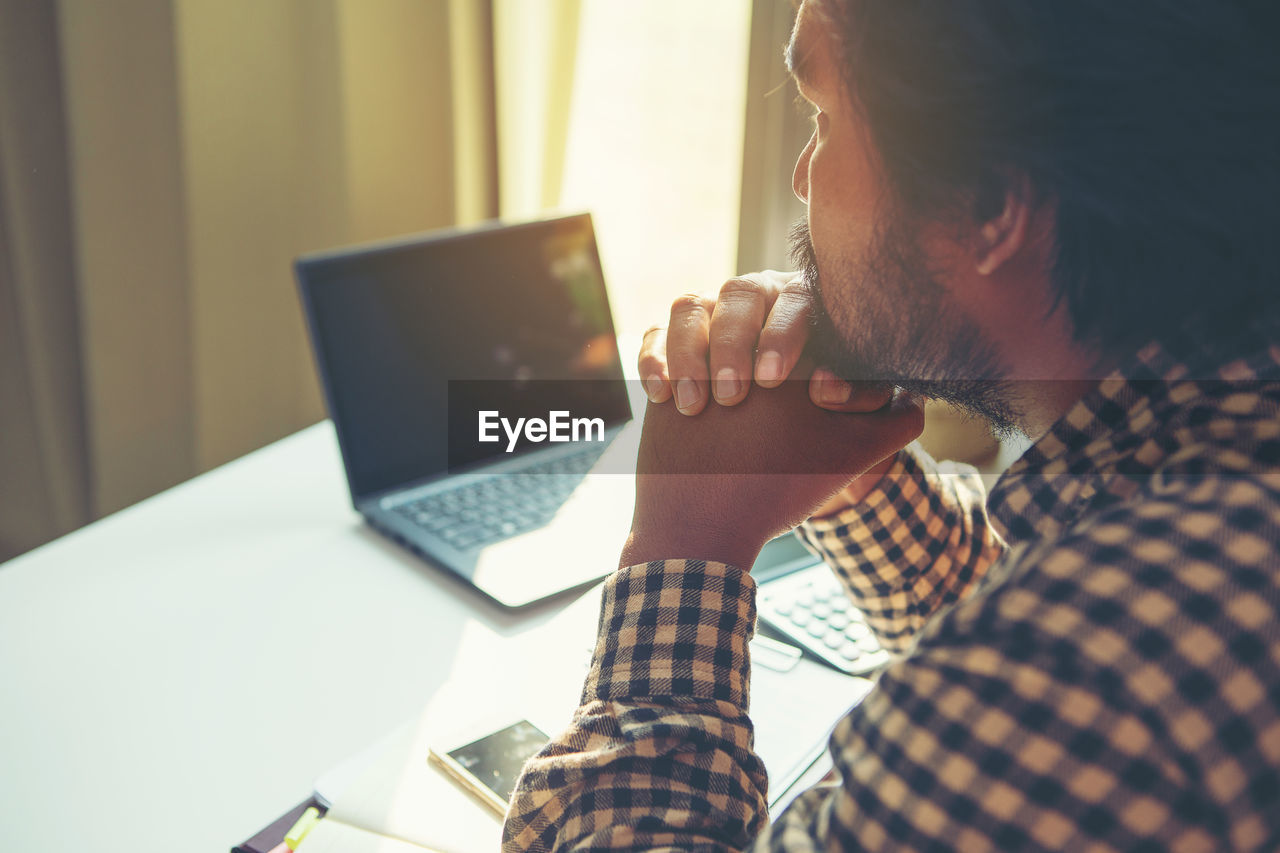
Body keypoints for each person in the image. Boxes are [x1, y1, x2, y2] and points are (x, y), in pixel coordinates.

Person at [503, 0, 1280, 849]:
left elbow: (1039, 665)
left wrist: (682, 543)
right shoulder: (1206, 467)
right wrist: (855, 482)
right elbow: (1030, 608)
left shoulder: (1081, 672)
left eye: (825, 116)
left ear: (986, 205)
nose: (802, 174)